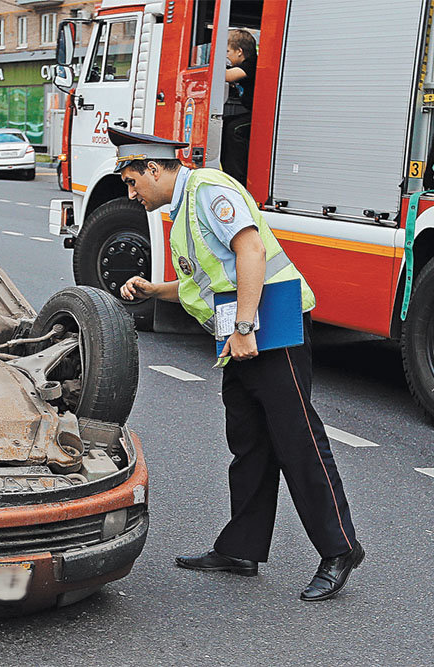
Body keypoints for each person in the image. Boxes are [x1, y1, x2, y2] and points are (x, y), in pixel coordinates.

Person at [110, 127, 364, 602]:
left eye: (131, 181)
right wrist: (155, 289)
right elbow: (210, 279)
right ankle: (242, 548)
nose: (131, 192)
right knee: (249, 442)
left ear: (154, 168)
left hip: (272, 326)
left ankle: (340, 548)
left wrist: (246, 328)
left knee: (297, 439)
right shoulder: (184, 208)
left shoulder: (209, 189)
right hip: (241, 332)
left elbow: (251, 250)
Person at [221, 29, 257, 183]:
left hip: (262, 116)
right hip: (253, 113)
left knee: (233, 129)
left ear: (240, 52)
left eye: (228, 51)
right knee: (225, 123)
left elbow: (227, 76)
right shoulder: (244, 64)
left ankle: (237, 180)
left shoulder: (251, 64)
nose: (227, 55)